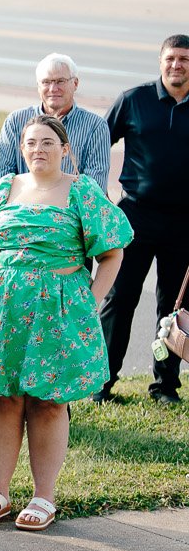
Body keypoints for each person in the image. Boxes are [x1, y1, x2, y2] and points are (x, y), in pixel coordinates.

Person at [0, 116, 131, 531]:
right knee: (1, 398)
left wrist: (90, 299)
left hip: (59, 312)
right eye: (30, 142)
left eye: (47, 142)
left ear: (65, 149)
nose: (38, 149)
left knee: (48, 400)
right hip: (2, 309)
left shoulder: (81, 191)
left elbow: (113, 254)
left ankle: (43, 497)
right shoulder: (4, 188)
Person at [99, 36, 189, 404]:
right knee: (119, 299)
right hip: (134, 216)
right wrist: (100, 200)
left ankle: (164, 385)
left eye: (184, 59)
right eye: (171, 58)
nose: (177, 65)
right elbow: (98, 143)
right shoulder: (133, 100)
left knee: (175, 305)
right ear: (160, 61)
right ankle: (102, 382)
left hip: (184, 223)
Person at [0, 53, 111, 188]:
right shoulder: (15, 122)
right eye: (46, 82)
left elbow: (95, 186)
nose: (53, 89)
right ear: (38, 86)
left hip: (71, 207)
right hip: (21, 205)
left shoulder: (95, 126)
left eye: (60, 81)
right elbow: (3, 179)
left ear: (75, 83)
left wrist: (54, 200)